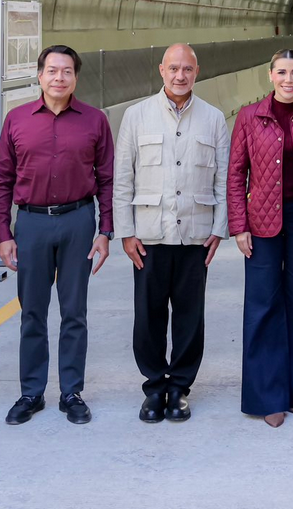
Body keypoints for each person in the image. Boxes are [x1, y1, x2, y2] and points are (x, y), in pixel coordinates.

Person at [0, 45, 114, 426]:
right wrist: (3, 234)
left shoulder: (94, 121)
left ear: (76, 77)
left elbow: (107, 179)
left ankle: (72, 392)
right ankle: (31, 392)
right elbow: (1, 180)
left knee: (74, 312)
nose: (59, 78)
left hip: (78, 221)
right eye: (52, 71)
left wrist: (105, 229)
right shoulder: (17, 120)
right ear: (39, 75)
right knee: (32, 312)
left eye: (67, 72)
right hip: (31, 223)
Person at [113, 44, 229, 424]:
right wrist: (125, 232)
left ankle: (179, 387)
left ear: (198, 71)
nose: (180, 76)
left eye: (188, 69)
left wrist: (219, 228)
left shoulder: (213, 119)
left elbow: (224, 179)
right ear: (161, 70)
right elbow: (123, 178)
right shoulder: (136, 116)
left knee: (189, 316)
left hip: (195, 234)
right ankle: (154, 387)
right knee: (148, 317)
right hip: (148, 235)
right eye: (173, 68)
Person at [227, 49, 293, 428]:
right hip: (261, 224)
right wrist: (239, 225)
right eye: (282, 72)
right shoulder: (249, 117)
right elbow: (236, 174)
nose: (289, 79)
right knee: (262, 306)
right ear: (270, 75)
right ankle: (266, 396)